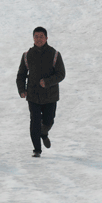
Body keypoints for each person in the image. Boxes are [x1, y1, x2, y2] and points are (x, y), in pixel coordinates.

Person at [16, 27, 66, 157]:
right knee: (35, 122)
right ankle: (37, 150)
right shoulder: (27, 55)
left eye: (41, 36)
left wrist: (48, 82)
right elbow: (21, 75)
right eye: (36, 36)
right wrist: (22, 90)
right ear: (33, 38)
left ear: (46, 38)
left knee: (49, 121)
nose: (39, 39)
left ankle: (44, 133)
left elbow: (61, 74)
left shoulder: (55, 54)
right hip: (33, 96)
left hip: (50, 96)